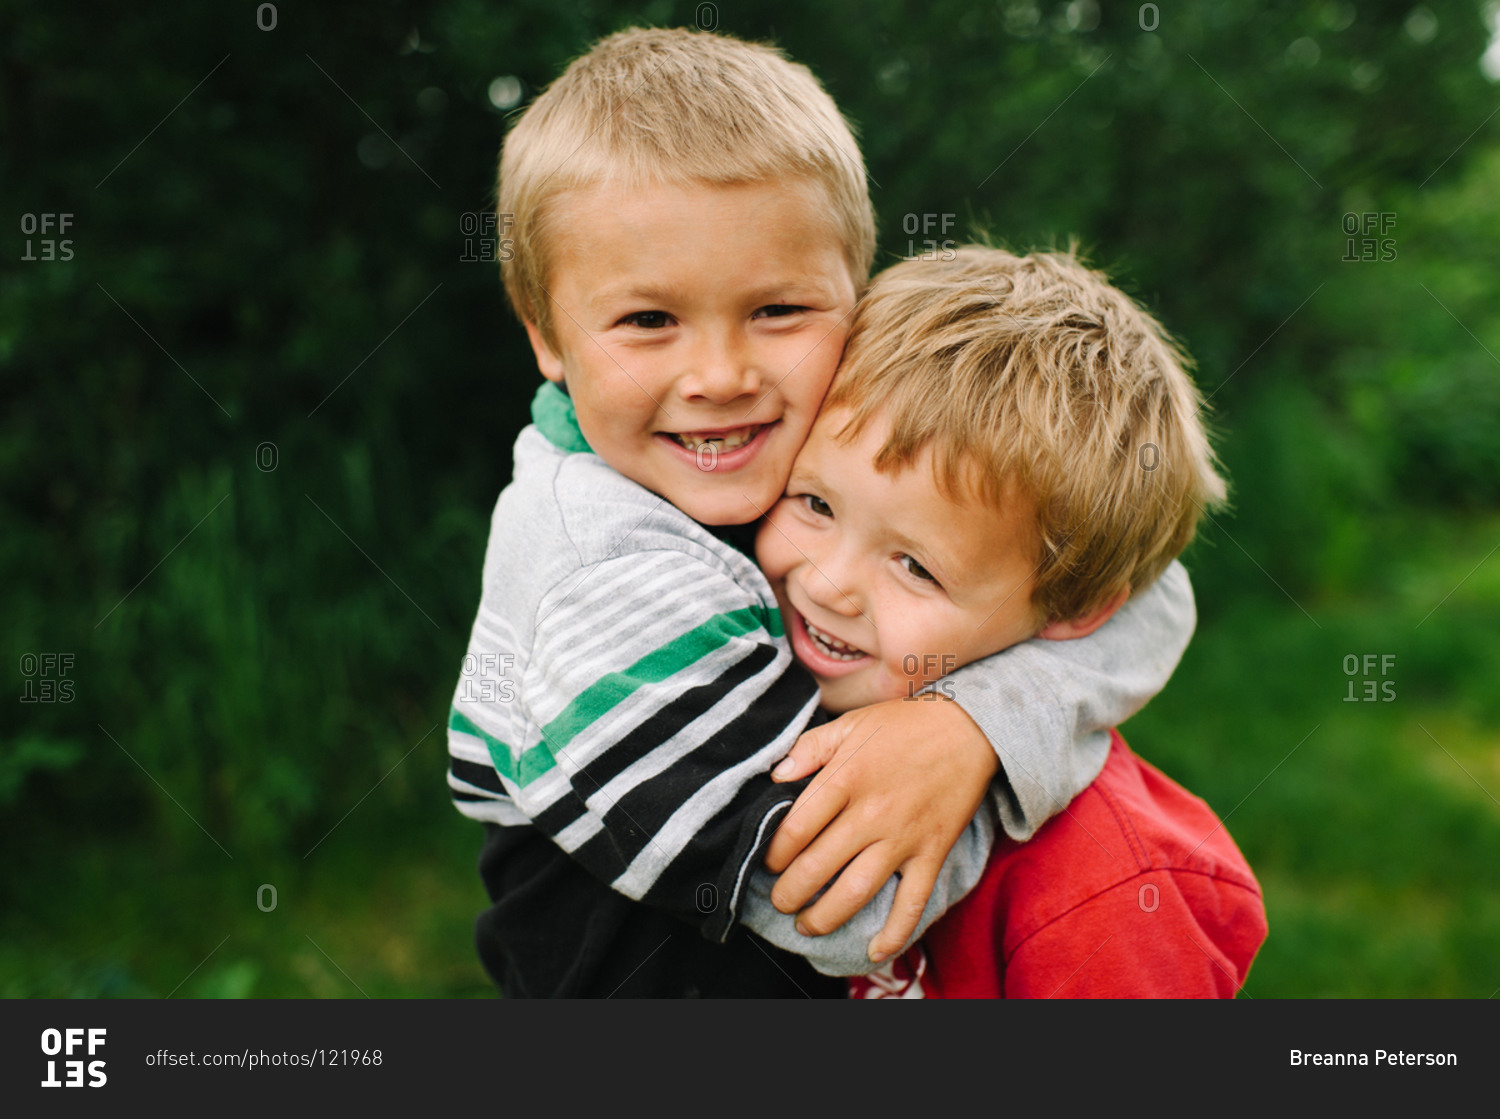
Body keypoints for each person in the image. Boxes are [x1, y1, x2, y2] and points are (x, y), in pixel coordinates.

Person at [445, 26, 1197, 997]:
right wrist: (992, 749)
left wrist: (975, 726)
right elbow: (856, 912)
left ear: (857, 299)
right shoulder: (606, 579)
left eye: (778, 312)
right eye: (648, 321)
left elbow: (1149, 586)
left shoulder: (770, 463)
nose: (719, 376)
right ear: (545, 334)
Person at [751, 246, 1266, 998]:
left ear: (1072, 610)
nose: (828, 583)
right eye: (816, 504)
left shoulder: (1104, 895)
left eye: (916, 567)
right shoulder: (719, 633)